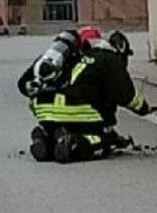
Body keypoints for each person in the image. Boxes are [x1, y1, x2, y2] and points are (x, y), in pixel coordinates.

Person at [19, 28, 150, 163]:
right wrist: (144, 108)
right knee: (102, 141)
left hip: (45, 114)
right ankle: (73, 146)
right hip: (80, 115)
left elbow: (23, 84)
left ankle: (46, 139)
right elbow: (126, 96)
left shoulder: (58, 58)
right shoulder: (107, 58)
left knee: (58, 133)